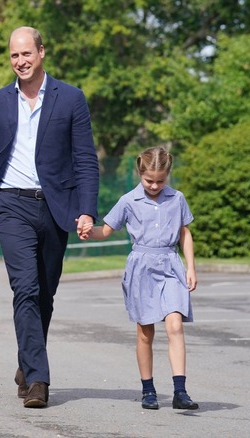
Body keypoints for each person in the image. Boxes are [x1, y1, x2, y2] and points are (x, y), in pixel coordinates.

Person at [0, 26, 100, 409]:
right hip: (11, 204)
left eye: (26, 54)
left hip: (56, 207)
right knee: (24, 288)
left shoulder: (71, 98)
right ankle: (39, 380)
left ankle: (27, 363)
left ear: (42, 52)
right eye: (14, 56)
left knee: (45, 292)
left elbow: (85, 160)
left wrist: (87, 209)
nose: (20, 62)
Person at [78, 146, 199, 410]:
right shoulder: (128, 201)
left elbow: (184, 233)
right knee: (145, 332)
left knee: (175, 325)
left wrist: (190, 266)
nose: (155, 185)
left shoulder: (177, 198)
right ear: (140, 173)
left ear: (168, 175)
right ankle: (148, 390)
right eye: (149, 180)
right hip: (141, 267)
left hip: (170, 265)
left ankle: (180, 391)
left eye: (160, 180)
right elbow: (107, 230)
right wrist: (88, 231)